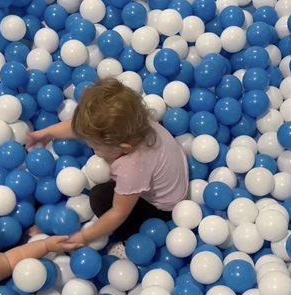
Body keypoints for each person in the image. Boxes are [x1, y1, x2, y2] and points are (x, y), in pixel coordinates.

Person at [27, 78, 189, 254]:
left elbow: (118, 213)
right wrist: (47, 133)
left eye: (95, 146)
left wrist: (85, 236)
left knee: (99, 198)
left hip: (163, 208)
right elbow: (83, 128)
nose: (91, 147)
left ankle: (124, 238)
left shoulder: (131, 168)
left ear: (124, 148)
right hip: (173, 172)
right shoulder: (137, 121)